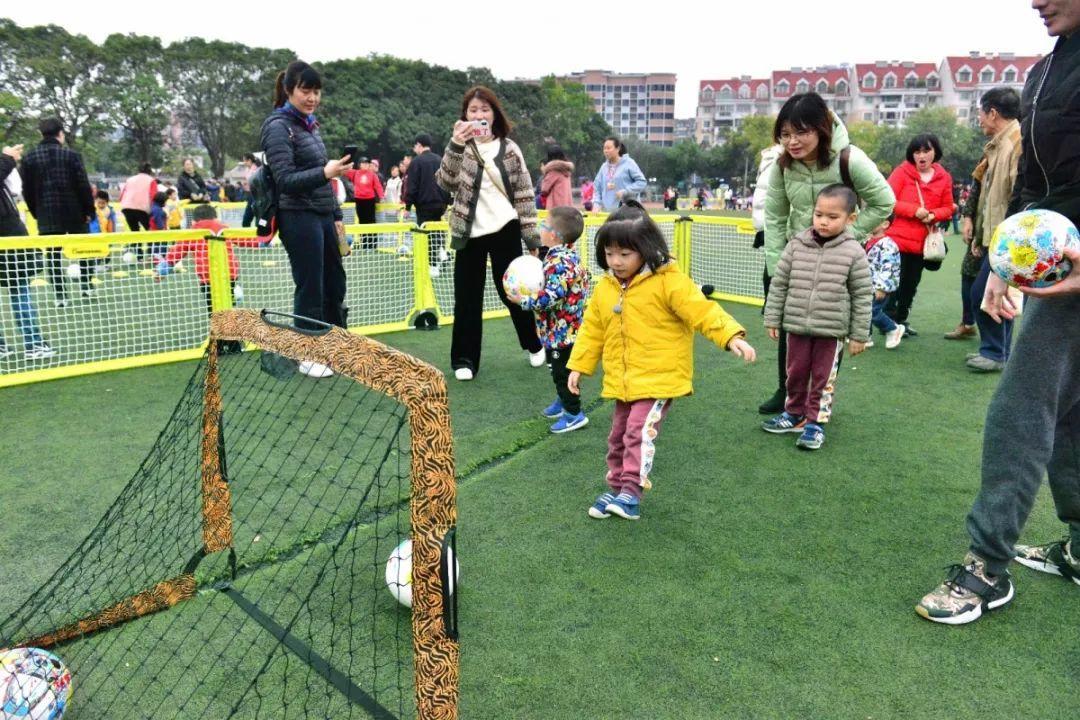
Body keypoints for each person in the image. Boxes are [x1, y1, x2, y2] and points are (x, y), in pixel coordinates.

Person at [916, 0, 1080, 625]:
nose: (1035, 1)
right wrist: (1004, 267)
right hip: (1058, 267)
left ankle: (987, 565)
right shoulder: (1046, 70)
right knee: (1069, 409)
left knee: (1022, 407)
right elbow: (1038, 187)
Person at [567, 201, 755, 520]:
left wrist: (730, 335)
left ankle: (630, 493)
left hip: (660, 378)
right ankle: (616, 487)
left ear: (645, 249)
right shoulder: (606, 288)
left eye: (625, 254)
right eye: (610, 254)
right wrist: (578, 366)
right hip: (624, 380)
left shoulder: (669, 280)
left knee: (638, 431)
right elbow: (592, 329)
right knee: (618, 435)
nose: (616, 261)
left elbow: (702, 310)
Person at [759, 92, 894, 415]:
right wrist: (776, 265)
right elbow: (775, 216)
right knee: (791, 328)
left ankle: (818, 400)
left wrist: (849, 236)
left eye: (801, 132)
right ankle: (787, 392)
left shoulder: (850, 159)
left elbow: (884, 202)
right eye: (785, 134)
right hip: (797, 257)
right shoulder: (782, 165)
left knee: (829, 331)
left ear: (821, 128)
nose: (792, 142)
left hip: (837, 262)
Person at [435, 85, 545, 381]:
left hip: (505, 227)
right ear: (464, 115)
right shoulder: (460, 146)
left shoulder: (509, 148)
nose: (479, 115)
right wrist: (455, 144)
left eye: (484, 109)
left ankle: (533, 343)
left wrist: (531, 237)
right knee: (467, 296)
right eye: (473, 110)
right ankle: (464, 359)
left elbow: (524, 193)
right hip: (468, 230)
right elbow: (445, 182)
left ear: (495, 114)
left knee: (513, 292)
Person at [260, 60, 353, 378]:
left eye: (316, 91)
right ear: (289, 90)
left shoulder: (310, 126)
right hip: (297, 216)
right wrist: (325, 172)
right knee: (310, 285)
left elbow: (324, 179)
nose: (312, 98)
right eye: (305, 90)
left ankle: (336, 346)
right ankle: (308, 354)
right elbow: (285, 179)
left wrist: (337, 216)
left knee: (334, 282)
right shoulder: (277, 126)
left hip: (323, 213)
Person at [761, 185, 872, 451]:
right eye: (819, 214)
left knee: (823, 379)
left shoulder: (854, 252)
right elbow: (779, 284)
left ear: (850, 218)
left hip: (831, 331)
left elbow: (862, 294)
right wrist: (772, 317)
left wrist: (859, 335)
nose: (823, 221)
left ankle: (815, 423)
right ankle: (794, 413)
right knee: (795, 373)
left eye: (832, 217)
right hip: (796, 325)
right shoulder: (796, 245)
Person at [515, 206, 590, 434]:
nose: (540, 228)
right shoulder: (561, 256)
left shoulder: (560, 263)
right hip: (556, 331)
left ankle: (574, 414)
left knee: (562, 373)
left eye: (543, 224)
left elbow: (550, 297)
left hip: (564, 334)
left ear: (554, 235)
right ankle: (562, 399)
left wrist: (523, 300)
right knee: (555, 369)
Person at [965, 87, 1024, 373]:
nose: (979, 119)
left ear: (993, 113)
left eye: (980, 112)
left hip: (1008, 237)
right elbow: (988, 197)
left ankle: (994, 352)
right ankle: (1000, 351)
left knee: (983, 294)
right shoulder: (998, 145)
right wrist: (980, 234)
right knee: (994, 294)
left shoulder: (1016, 144)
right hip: (994, 235)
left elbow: (1018, 196)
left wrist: (1008, 239)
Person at [155, 203, 263, 353]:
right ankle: (231, 344)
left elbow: (176, 252)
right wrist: (264, 241)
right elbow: (246, 240)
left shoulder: (192, 233)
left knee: (214, 310)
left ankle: (221, 344)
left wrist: (162, 270)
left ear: (195, 220)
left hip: (208, 278)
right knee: (228, 307)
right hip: (229, 275)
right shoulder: (223, 228)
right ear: (215, 217)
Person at [881, 134, 956, 337]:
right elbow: (887, 200)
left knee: (911, 284)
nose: (921, 156)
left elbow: (948, 207)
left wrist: (933, 215)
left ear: (935, 153)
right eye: (917, 152)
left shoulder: (944, 177)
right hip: (898, 239)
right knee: (894, 283)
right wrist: (914, 210)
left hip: (923, 242)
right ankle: (889, 323)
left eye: (926, 151)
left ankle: (901, 320)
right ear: (911, 154)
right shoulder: (901, 172)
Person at [19, 117, 96, 308]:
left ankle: (60, 296)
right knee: (84, 248)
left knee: (53, 255)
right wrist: (89, 210)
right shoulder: (72, 155)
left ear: (41, 134)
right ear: (60, 133)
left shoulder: (29, 158)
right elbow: (83, 185)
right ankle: (86, 285)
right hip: (75, 210)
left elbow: (27, 190)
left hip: (47, 212)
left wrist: (36, 211)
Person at [0, 143, 53, 360]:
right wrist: (8, 158)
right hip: (8, 237)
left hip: (10, 236)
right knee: (20, 290)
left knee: (20, 289)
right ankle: (34, 344)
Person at [405, 133, 450, 275]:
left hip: (424, 205)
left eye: (415, 146)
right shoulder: (440, 160)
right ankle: (442, 253)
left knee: (425, 235)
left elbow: (412, 186)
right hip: (440, 204)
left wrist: (408, 206)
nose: (414, 149)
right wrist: (447, 202)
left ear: (419, 145)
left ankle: (432, 265)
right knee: (436, 231)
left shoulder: (416, 162)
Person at [946, 179, 981, 340]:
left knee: (994, 284)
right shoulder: (984, 167)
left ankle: (995, 347)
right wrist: (968, 219)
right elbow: (974, 195)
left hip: (1000, 231)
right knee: (968, 275)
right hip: (980, 230)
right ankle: (968, 324)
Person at [865, 218, 904, 349]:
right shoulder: (868, 240)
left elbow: (889, 267)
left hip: (879, 286)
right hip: (867, 284)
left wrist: (882, 287)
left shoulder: (888, 245)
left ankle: (893, 329)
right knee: (863, 310)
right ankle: (865, 336)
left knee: (873, 312)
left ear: (885, 224)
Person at [593, 136, 646, 212]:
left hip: (629, 211)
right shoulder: (603, 167)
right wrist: (596, 204)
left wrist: (626, 191)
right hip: (609, 213)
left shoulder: (629, 163)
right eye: (604, 148)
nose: (606, 151)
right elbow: (597, 187)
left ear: (618, 149)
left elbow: (642, 182)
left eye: (608, 148)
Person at [346, 156, 384, 249]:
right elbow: (344, 170)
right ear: (360, 164)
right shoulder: (355, 173)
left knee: (371, 221)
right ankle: (364, 243)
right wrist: (348, 162)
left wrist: (381, 197)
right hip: (359, 200)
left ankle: (372, 244)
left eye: (367, 163)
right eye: (364, 163)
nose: (366, 165)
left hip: (369, 200)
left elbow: (378, 186)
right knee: (362, 221)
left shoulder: (372, 174)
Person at [119, 163, 157, 233]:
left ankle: (135, 240)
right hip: (142, 209)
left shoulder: (129, 179)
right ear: (150, 171)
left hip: (127, 208)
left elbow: (122, 196)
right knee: (150, 231)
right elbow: (153, 196)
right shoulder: (151, 180)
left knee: (134, 231)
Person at [540, 145, 574, 209]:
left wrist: (544, 173)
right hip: (567, 205)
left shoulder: (553, 171)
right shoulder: (566, 169)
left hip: (555, 207)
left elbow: (544, 189)